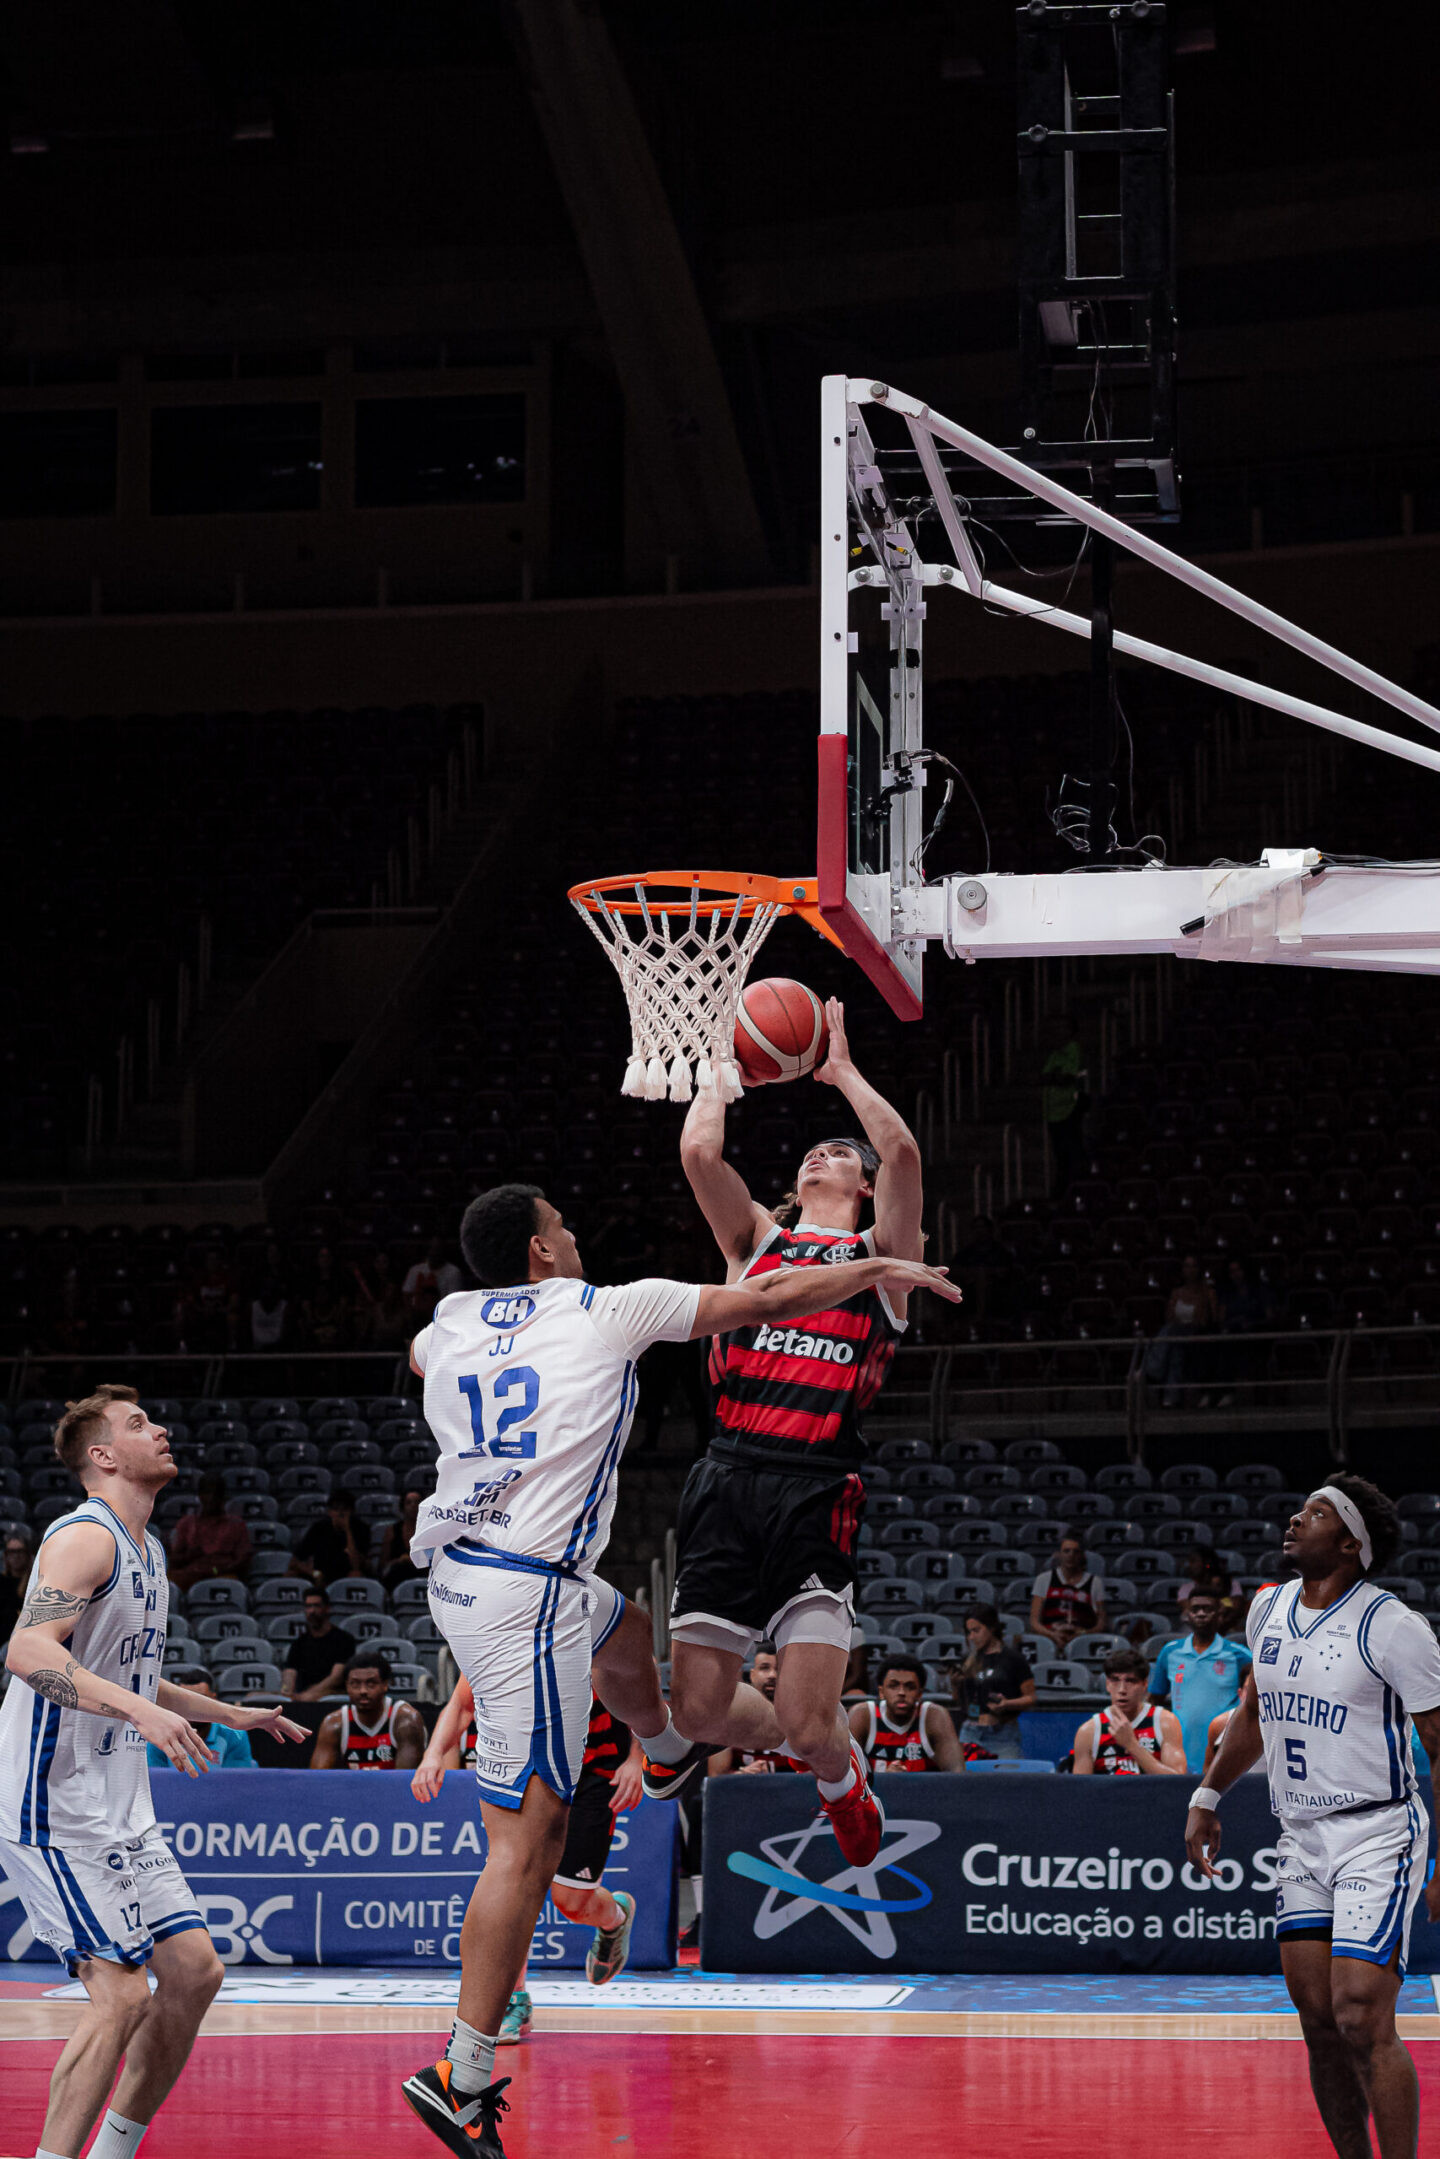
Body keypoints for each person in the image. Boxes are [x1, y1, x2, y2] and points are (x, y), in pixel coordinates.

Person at [398, 1180, 956, 2156]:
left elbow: (418, 1353)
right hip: (523, 1593)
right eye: (562, 1226)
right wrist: (873, 1266)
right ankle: (464, 2067)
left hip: (472, 1571)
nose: (576, 1235)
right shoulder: (606, 1307)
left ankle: (662, 1744)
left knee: (629, 1625)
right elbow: (770, 1301)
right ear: (539, 1251)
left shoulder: (446, 1322)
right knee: (526, 1844)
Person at [659, 997, 930, 1865]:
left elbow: (903, 1152)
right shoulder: (756, 1246)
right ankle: (832, 1766)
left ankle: (834, 1765)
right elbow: (701, 1151)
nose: (827, 1151)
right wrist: (717, 1068)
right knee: (697, 1713)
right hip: (728, 1476)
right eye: (816, 1149)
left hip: (818, 1485)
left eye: (841, 1154)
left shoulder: (882, 1262)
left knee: (815, 1718)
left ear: (859, 1189)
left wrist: (842, 1071)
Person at [0, 1385, 303, 2159]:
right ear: (101, 1455)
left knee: (195, 1971)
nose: (160, 1427)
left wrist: (224, 1713)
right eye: (138, 1424)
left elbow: (128, 1673)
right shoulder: (84, 1537)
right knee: (122, 1993)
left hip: (116, 1803)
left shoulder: (150, 1548)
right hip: (52, 1801)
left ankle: (114, 2148)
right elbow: (29, 1651)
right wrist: (140, 1715)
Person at [1187, 1476, 1440, 2159]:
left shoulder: (1394, 1626)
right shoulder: (1267, 1609)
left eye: (1319, 1512)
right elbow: (1252, 1714)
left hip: (1377, 1830)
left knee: (1361, 2013)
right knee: (1320, 2020)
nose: (1297, 1517)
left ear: (1352, 1544)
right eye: (1303, 1507)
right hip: (1300, 1833)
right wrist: (1208, 1796)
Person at [414, 1678, 645, 2042]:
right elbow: (461, 1705)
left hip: (594, 1773)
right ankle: (513, 2001)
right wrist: (432, 1756)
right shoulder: (494, 1636)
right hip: (526, 1770)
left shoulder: (585, 1631)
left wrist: (636, 1757)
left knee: (571, 1903)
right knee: (514, 1877)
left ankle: (615, 1916)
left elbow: (640, 1692)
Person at [1149, 1585, 1252, 1773]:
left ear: (1219, 1614)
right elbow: (1155, 1699)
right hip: (1179, 1753)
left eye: (1208, 1609)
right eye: (1195, 1609)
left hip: (1223, 1751)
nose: (1201, 1614)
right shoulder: (1170, 1652)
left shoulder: (1240, 1656)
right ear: (1187, 1614)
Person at [1074, 1647, 1186, 1774]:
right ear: (1107, 1684)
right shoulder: (1089, 1731)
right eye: (1115, 1680)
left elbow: (1176, 1782)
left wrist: (1131, 1744)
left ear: (1144, 1684)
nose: (1122, 1690)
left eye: (1131, 1681)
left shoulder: (1165, 1722)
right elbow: (1080, 1790)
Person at [850, 1653, 964, 1772]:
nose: (901, 1692)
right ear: (881, 1692)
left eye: (910, 1687)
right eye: (893, 1686)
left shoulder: (933, 1716)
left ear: (920, 1694)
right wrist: (884, 1780)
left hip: (923, 1790)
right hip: (876, 1790)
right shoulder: (863, 1715)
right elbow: (846, 1776)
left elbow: (957, 1773)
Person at [310, 1652, 425, 1769]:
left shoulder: (405, 1720)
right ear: (346, 1686)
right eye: (355, 1684)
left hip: (393, 1786)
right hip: (353, 1787)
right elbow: (317, 1779)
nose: (362, 1691)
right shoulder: (334, 1724)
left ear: (385, 1685)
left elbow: (405, 1780)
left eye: (371, 1684)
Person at [954, 1605, 1035, 1760]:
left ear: (991, 1628)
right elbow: (960, 1701)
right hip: (971, 1731)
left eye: (976, 1630)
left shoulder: (1013, 1659)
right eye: (968, 1632)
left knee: (1007, 1779)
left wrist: (1007, 1704)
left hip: (1003, 1733)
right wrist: (956, 1684)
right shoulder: (968, 1660)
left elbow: (1031, 1697)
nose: (971, 1637)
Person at [1144, 1254, 1218, 1408]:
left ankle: (1153, 1370)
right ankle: (1171, 1398)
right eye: (1186, 1266)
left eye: (1193, 1266)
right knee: (1176, 1349)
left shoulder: (1207, 1293)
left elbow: (1203, 1320)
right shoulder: (1176, 1293)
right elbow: (1170, 1316)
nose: (1189, 1270)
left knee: (1170, 1332)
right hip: (1176, 1335)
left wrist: (1183, 1325)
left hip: (1195, 1334)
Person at [145, 1667, 255, 1769]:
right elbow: (156, 1781)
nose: (193, 1708)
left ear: (214, 1699)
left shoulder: (235, 1734)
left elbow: (238, 1782)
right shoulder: (161, 1734)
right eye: (185, 1701)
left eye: (200, 1700)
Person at [166, 1472, 253, 1596]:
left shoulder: (236, 1525)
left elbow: (243, 1560)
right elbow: (174, 1560)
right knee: (167, 1584)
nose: (211, 1498)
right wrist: (189, 1556)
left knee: (232, 1585)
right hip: (191, 1573)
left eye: (216, 1494)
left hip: (221, 1574)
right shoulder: (187, 1524)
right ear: (200, 1496)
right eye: (206, 1493)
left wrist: (215, 1570)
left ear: (223, 1497)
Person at [1028, 1530, 1107, 1646]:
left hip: (1082, 1640)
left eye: (1076, 1552)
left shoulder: (1095, 1582)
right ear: (1058, 1554)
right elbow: (1034, 1621)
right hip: (1051, 1637)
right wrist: (1052, 1635)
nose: (1071, 1555)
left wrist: (1082, 1634)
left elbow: (1102, 1623)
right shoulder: (1044, 1579)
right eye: (1066, 1551)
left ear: (1082, 1555)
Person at [280, 1586, 357, 1701]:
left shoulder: (344, 1639)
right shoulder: (299, 1643)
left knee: (311, 1697)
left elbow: (336, 1677)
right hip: (302, 1695)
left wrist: (309, 1694)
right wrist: (287, 1692)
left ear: (327, 1608)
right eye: (308, 1606)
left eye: (316, 1606)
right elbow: (289, 1672)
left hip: (332, 1695)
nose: (312, 1611)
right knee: (253, 1696)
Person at [1041, 1015, 1087, 1198]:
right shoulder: (1055, 1054)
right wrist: (1055, 1076)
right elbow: (1044, 1077)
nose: (1058, 1032)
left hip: (1070, 1109)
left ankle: (1074, 1190)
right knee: (1061, 1156)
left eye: (1063, 1028)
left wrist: (1056, 1076)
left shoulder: (1074, 1049)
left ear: (1071, 1031)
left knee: (1072, 1154)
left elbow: (1067, 1078)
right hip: (1053, 1112)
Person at [288, 1485, 369, 1586]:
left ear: (352, 1511)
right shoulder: (319, 1528)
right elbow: (294, 1562)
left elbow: (356, 1565)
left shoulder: (361, 1528)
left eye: (345, 1509)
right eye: (336, 1509)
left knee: (356, 1574)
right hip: (320, 1573)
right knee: (289, 1575)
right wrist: (313, 1573)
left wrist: (347, 1530)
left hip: (346, 1574)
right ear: (329, 1511)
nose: (340, 1513)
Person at [403, 1236, 463, 1324]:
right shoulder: (415, 1270)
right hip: (415, 1316)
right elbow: (406, 1295)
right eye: (432, 1249)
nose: (434, 1253)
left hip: (441, 1317)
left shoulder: (454, 1272)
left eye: (437, 1249)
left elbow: (453, 1303)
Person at [1, 1528, 35, 1644]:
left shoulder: (35, 1582)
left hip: (27, 1641)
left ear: (27, 1554)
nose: (16, 1556)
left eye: (20, 1551)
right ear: (6, 1556)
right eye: (11, 1552)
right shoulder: (2, 1582)